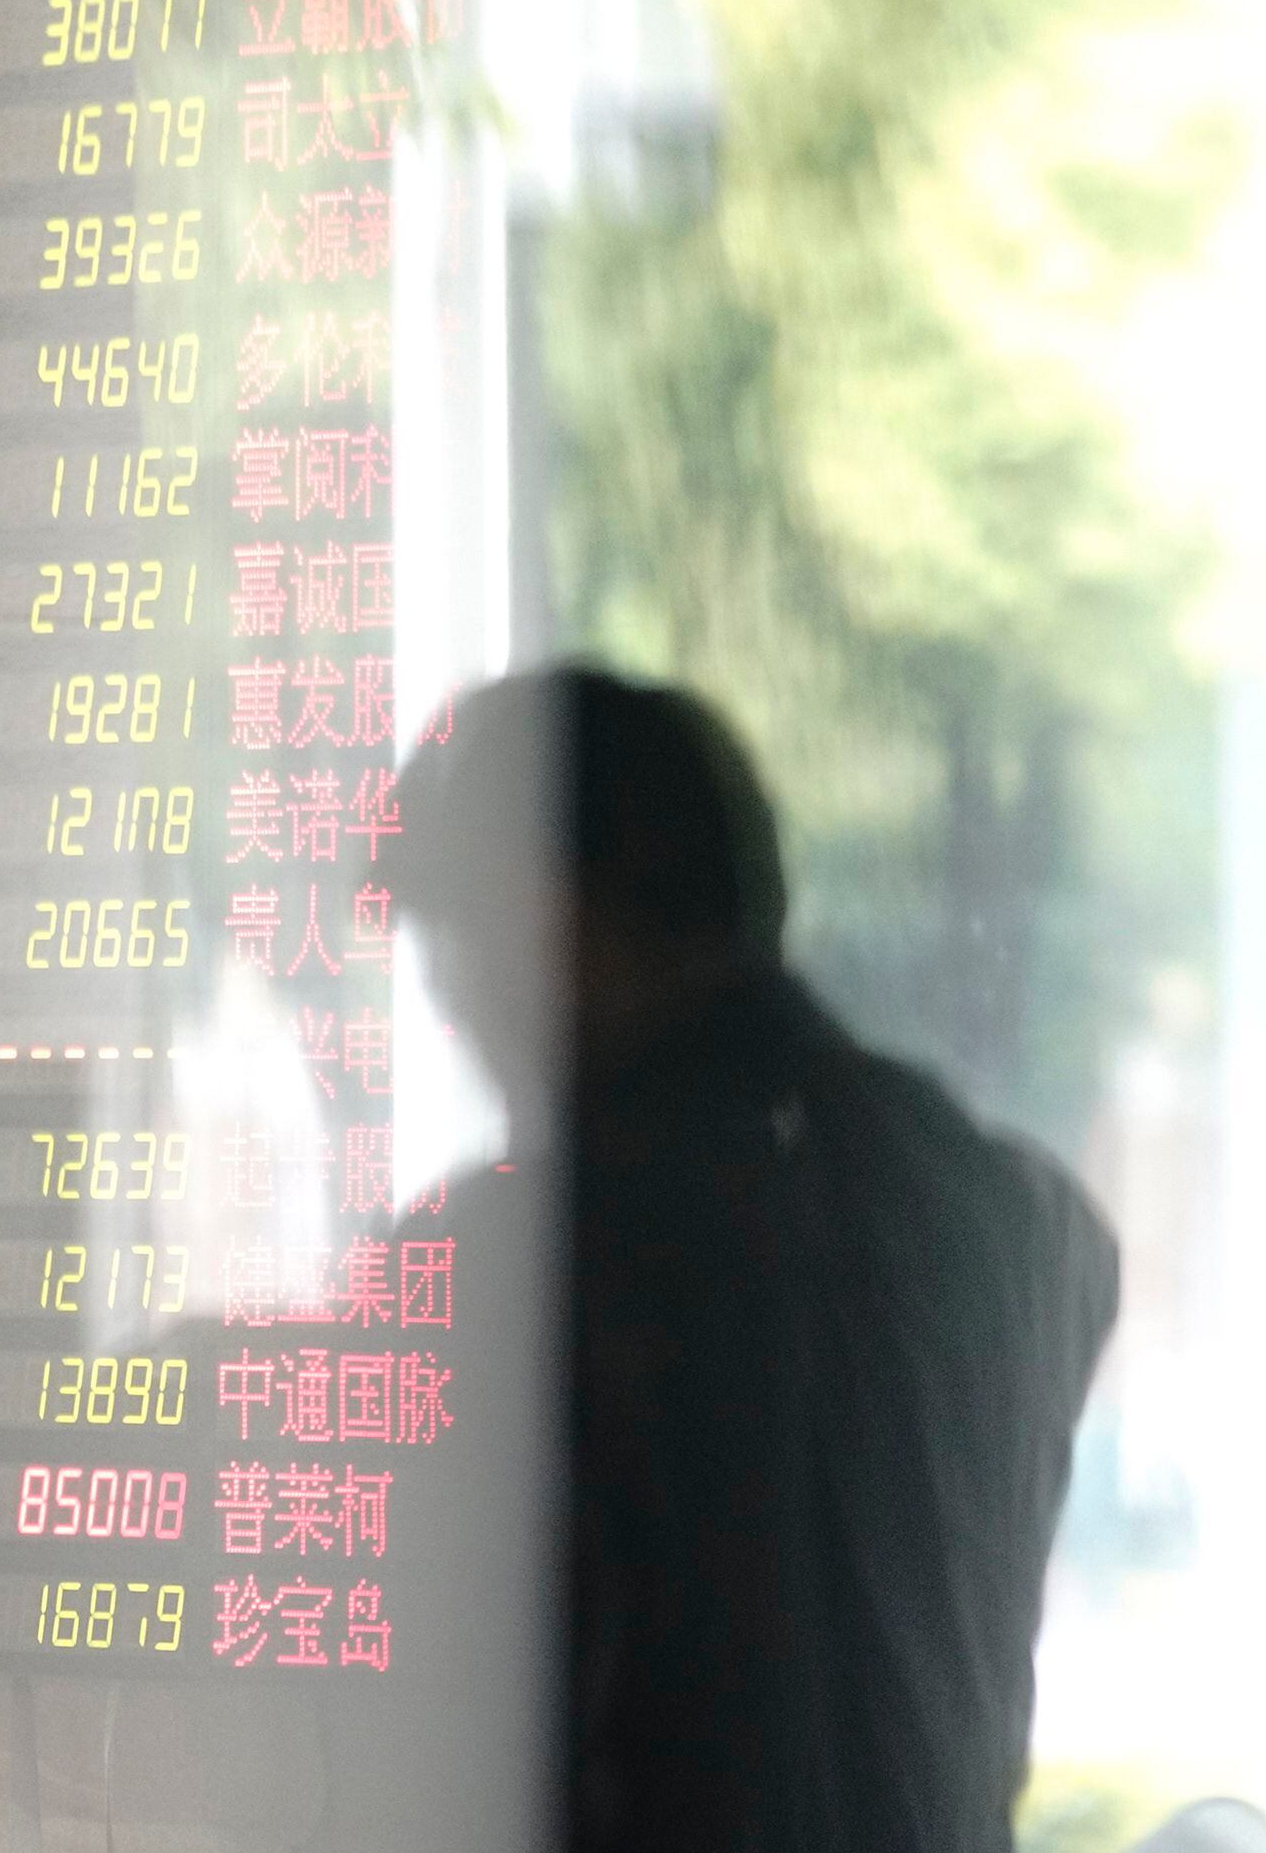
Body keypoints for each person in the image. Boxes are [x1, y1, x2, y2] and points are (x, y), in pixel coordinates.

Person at [389, 666, 1117, 1853]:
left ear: (549, 917)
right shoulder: (1021, 1224)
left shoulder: (512, 1263)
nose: (443, 995)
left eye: (449, 936)